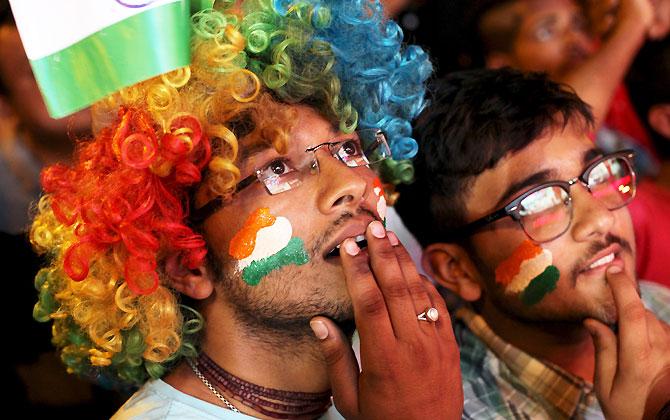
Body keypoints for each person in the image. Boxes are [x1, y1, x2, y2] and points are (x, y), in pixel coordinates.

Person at [27, 0, 463, 418]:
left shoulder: (403, 379)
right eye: (276, 168)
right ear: (189, 265)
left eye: (349, 149)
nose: (350, 184)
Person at [395, 68, 670, 419]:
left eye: (598, 174)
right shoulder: (451, 408)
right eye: (539, 202)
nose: (601, 218)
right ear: (458, 270)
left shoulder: (661, 307)